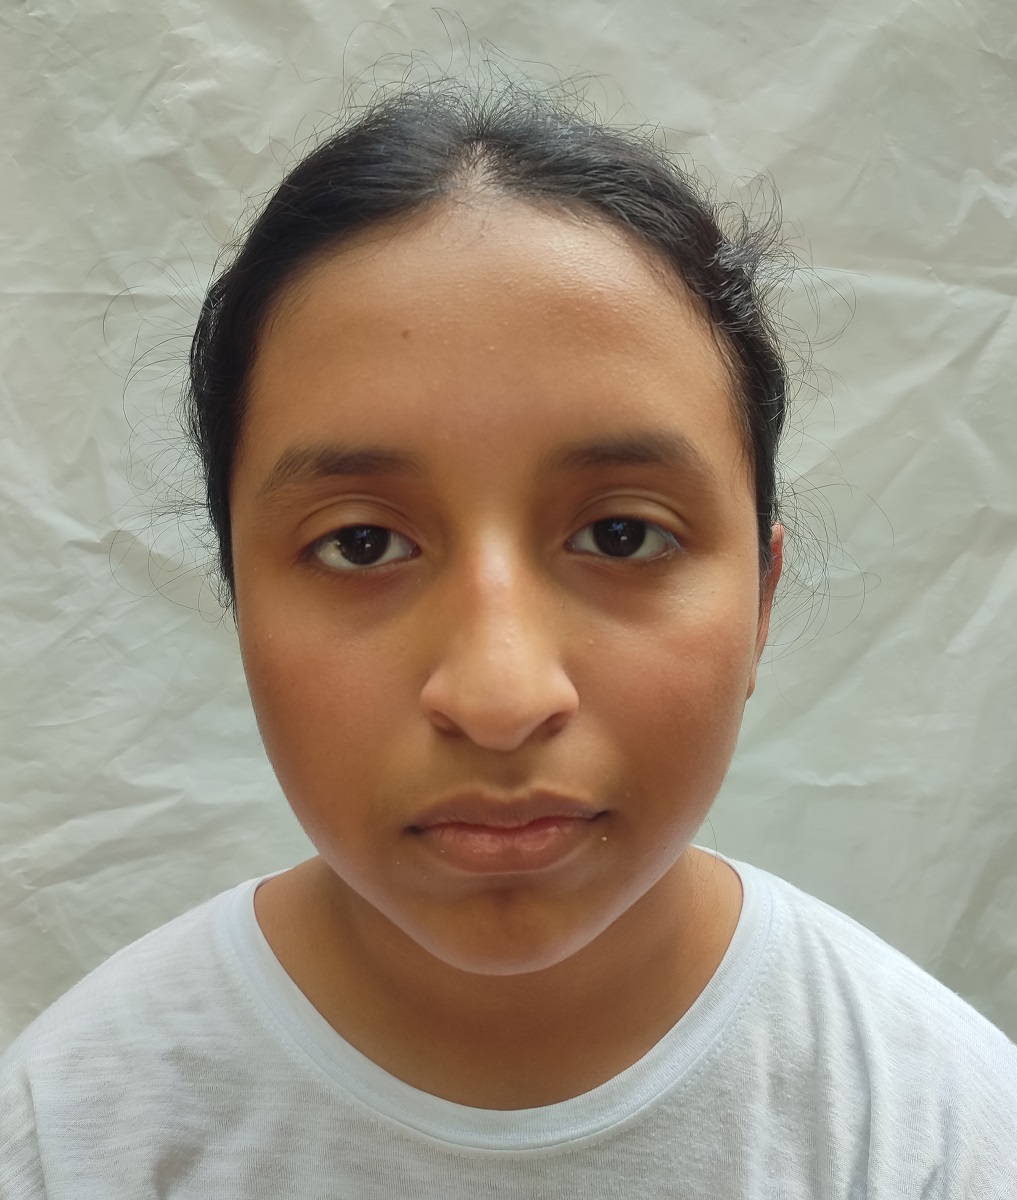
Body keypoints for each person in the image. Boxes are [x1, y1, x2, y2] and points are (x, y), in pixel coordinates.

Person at [1, 77, 1014, 1199]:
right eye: (362, 545)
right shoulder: (73, 1137)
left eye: (622, 534)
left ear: (762, 596)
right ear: (239, 598)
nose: (499, 697)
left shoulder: (938, 1136)